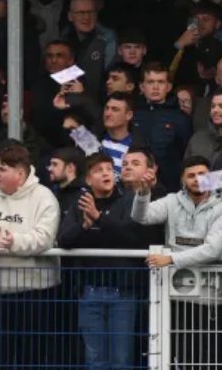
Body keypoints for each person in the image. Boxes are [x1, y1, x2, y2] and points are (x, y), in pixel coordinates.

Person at [56, 153, 156, 370]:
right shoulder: (79, 204)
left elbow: (134, 237)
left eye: (110, 169)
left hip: (123, 292)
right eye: (99, 170)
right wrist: (83, 226)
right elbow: (63, 240)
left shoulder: (129, 200)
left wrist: (99, 218)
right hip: (89, 291)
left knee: (122, 360)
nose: (106, 173)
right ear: (88, 180)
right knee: (95, 360)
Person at [0, 142, 61, 367]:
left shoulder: (44, 197)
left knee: (33, 356)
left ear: (20, 173)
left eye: (2, 169)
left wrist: (13, 242)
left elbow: (44, 237)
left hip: (35, 293)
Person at [131, 155, 222, 268]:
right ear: (183, 180)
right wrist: (144, 192)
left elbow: (213, 249)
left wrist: (171, 259)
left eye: (202, 174)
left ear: (211, 178)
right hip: (173, 277)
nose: (196, 179)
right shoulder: (171, 200)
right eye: (191, 176)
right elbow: (141, 217)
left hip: (209, 279)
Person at [132, 62, 192, 191]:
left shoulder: (181, 118)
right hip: (133, 185)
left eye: (160, 82)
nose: (155, 87)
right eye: (150, 82)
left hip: (169, 188)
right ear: (142, 87)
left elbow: (186, 153)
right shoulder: (131, 113)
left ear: (169, 87)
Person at [65, 0, 117, 100]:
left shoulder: (107, 39)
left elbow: (111, 76)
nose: (86, 17)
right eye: (81, 13)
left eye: (91, 12)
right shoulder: (64, 37)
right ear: (70, 16)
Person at [100, 92, 133, 182]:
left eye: (115, 109)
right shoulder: (93, 137)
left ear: (128, 115)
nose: (108, 113)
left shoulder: (136, 147)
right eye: (107, 108)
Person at [46, 146, 86, 213]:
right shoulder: (54, 193)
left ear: (70, 167)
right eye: (50, 164)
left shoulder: (82, 197)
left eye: (55, 164)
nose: (50, 168)